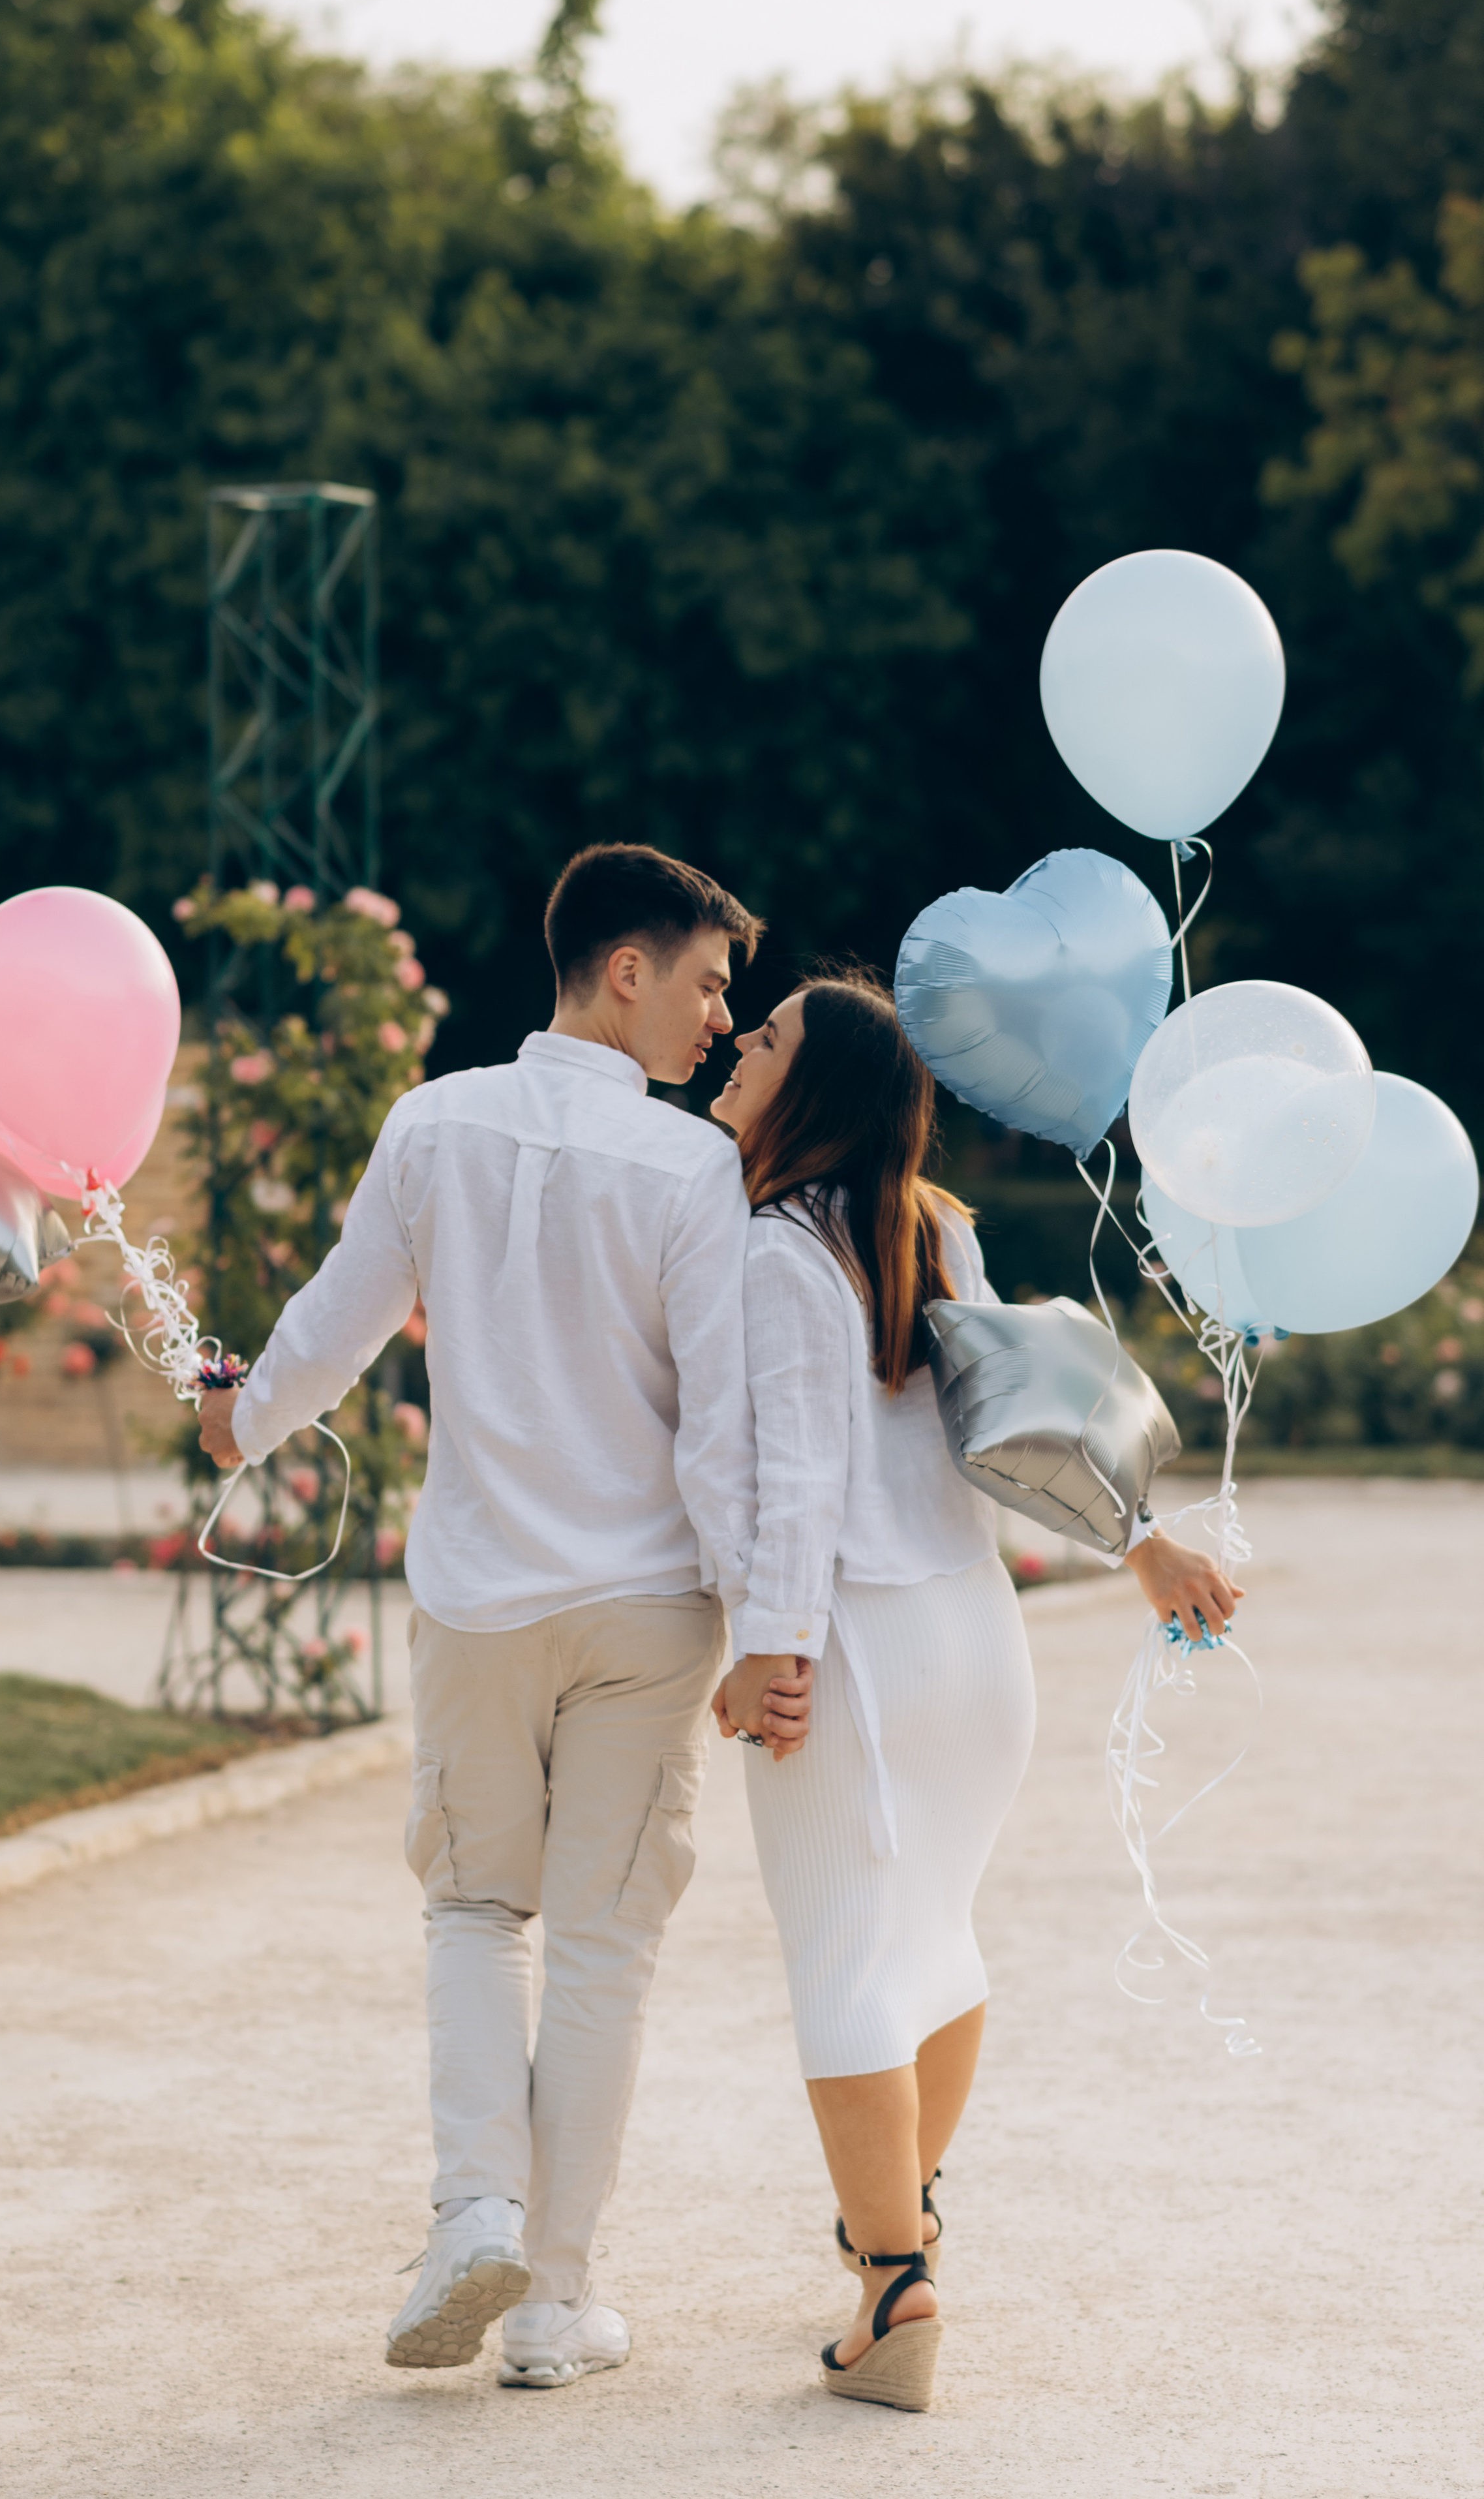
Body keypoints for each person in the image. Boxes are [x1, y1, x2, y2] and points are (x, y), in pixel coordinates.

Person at [198, 844, 763, 2391]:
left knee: (467, 1913)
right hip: (648, 1608)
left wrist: (240, 1426)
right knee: (600, 1949)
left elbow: (335, 1324)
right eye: (708, 983)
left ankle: (473, 2215)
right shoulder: (690, 1170)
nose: (722, 1017)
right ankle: (546, 2311)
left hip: (478, 1603)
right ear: (624, 968)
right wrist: (766, 1626)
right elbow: (718, 1430)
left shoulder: (429, 1123)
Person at [710, 969, 1243, 2414]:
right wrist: (1139, 1542)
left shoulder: (778, 1245)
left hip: (853, 1645)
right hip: (971, 1639)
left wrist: (767, 1646)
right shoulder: (933, 1224)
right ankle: (904, 2232)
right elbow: (1023, 1415)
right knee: (934, 1945)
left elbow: (799, 1470)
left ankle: (892, 2289)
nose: (737, 1051)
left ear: (811, 1091)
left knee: (842, 1965)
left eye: (763, 1042)